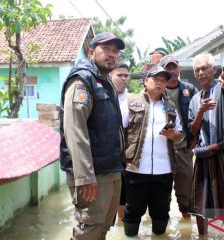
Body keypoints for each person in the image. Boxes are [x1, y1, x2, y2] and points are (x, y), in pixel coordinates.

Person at [59, 32, 125, 240]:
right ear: (91, 52)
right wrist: (85, 177)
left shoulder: (104, 82)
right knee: (88, 229)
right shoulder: (82, 80)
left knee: (103, 226)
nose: (112, 55)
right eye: (106, 49)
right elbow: (75, 130)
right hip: (92, 174)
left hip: (110, 169)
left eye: (115, 51)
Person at [188, 53, 224, 239]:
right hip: (204, 154)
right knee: (200, 202)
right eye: (197, 70)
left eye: (204, 68)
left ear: (213, 69)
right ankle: (202, 236)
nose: (200, 72)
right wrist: (200, 112)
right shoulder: (195, 100)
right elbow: (192, 130)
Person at [122, 66, 183, 237]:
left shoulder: (170, 106)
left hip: (164, 170)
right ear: (145, 81)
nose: (159, 83)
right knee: (133, 212)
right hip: (136, 169)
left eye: (163, 80)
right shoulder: (131, 102)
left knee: (161, 213)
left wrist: (173, 134)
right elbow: (120, 130)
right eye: (155, 79)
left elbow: (179, 134)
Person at [160, 55, 198, 218]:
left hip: (184, 148)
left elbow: (199, 115)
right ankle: (161, 223)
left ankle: (186, 224)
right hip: (161, 150)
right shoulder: (156, 90)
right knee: (161, 191)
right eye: (167, 68)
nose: (172, 71)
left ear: (179, 69)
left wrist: (196, 137)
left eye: (174, 67)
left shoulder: (190, 90)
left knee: (186, 189)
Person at [110, 62, 130, 221]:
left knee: (124, 195)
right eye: (119, 75)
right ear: (110, 75)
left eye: (126, 75)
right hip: (107, 155)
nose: (123, 78)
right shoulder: (102, 97)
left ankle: (122, 228)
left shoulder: (133, 101)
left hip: (126, 157)